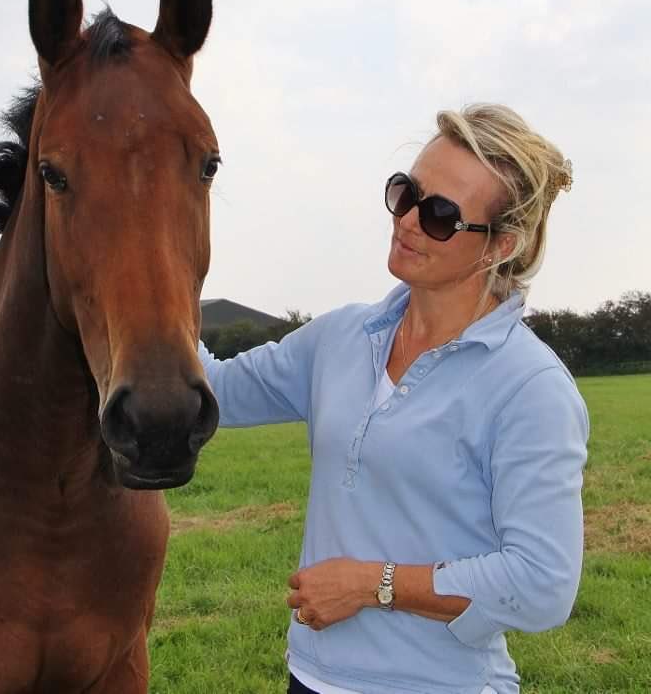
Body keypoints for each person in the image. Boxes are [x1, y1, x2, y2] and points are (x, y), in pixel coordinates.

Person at [198, 104, 588, 694]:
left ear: (500, 245)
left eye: (439, 215)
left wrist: (373, 584)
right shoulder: (341, 338)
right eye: (406, 193)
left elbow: (543, 585)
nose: (407, 221)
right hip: (310, 677)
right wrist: (147, 277)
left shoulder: (530, 387)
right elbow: (216, 391)